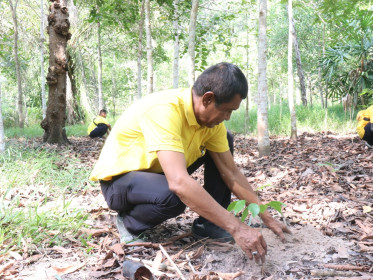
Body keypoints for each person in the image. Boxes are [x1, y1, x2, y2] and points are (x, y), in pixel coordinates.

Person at [90, 62, 290, 263]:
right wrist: (237, 228)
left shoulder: (211, 124)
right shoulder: (164, 110)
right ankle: (130, 222)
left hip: (157, 175)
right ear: (208, 98)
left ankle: (210, 225)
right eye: (227, 110)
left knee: (225, 141)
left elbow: (231, 173)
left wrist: (266, 216)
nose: (227, 117)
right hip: (119, 183)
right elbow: (178, 182)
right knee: (174, 195)